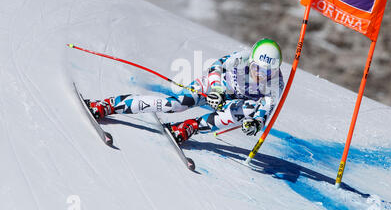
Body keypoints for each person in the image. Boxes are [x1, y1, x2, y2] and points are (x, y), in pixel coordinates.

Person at [87, 38, 285, 144]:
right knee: (173, 105)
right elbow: (216, 67)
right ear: (251, 61)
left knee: (249, 109)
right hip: (212, 87)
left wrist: (256, 123)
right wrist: (217, 90)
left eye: (267, 71)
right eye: (257, 68)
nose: (260, 74)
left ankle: (189, 127)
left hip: (232, 103)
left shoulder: (275, 84)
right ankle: (109, 104)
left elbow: (265, 110)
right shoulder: (241, 57)